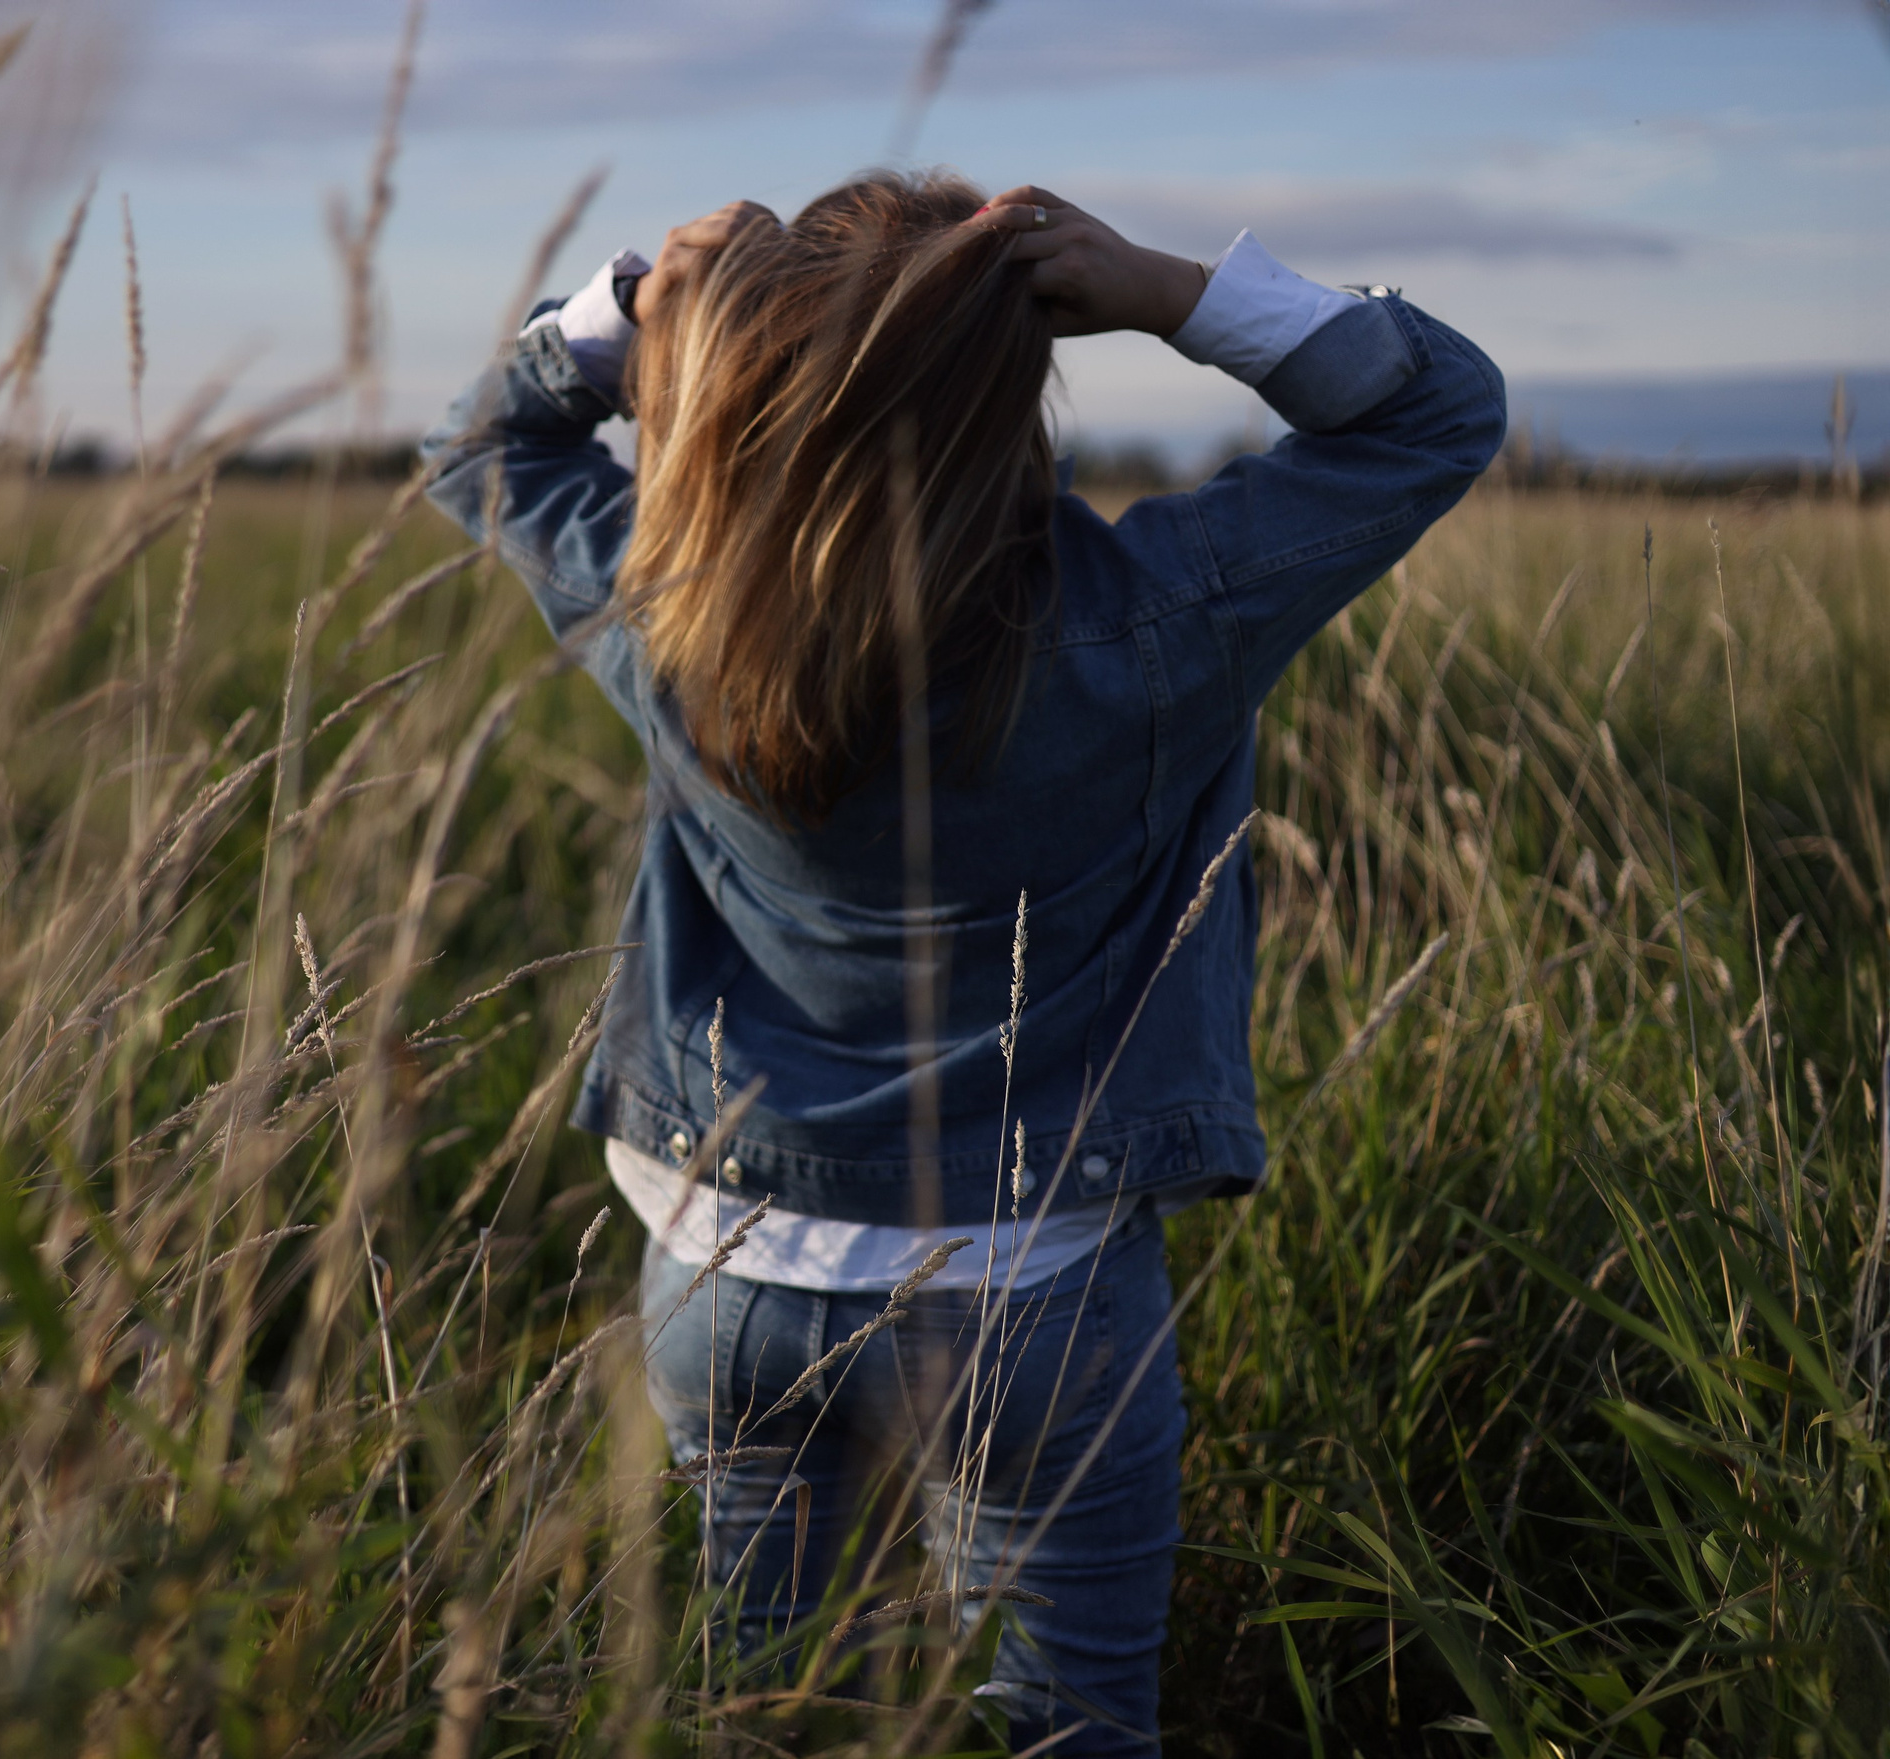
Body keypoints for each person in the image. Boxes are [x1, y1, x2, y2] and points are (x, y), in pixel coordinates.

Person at [421, 171, 1504, 1755]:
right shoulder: (1152, 620)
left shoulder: (671, 612)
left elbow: (476, 451)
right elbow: (1438, 415)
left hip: (724, 1279)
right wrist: (1173, 292)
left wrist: (624, 307)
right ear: (1017, 382)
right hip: (1032, 1292)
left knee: (778, 1720)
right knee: (1062, 1727)